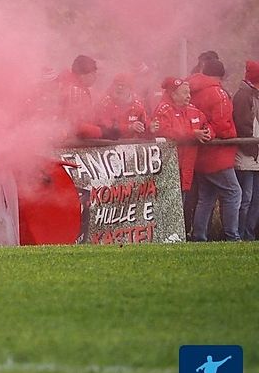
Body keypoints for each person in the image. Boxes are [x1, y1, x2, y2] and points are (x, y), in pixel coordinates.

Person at [189, 59, 242, 241]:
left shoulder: (193, 91)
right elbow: (222, 125)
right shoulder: (218, 93)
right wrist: (230, 134)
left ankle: (199, 235)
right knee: (234, 192)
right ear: (221, 75)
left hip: (200, 154)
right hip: (218, 155)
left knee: (206, 197)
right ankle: (232, 235)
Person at [152, 77, 212, 232]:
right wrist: (193, 134)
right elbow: (165, 131)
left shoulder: (193, 110)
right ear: (173, 94)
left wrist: (207, 133)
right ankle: (169, 234)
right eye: (184, 93)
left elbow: (208, 126)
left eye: (189, 92)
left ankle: (183, 234)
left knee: (186, 202)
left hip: (187, 166)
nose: (189, 96)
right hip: (169, 167)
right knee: (170, 203)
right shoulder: (163, 109)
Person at [233, 60, 259, 240]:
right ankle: (240, 234)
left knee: (255, 197)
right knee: (246, 197)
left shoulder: (253, 94)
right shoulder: (243, 96)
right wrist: (252, 149)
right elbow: (243, 126)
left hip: (255, 152)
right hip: (248, 153)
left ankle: (249, 234)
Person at [94, 73, 154, 139]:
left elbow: (144, 130)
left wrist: (150, 129)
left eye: (123, 85)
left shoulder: (139, 106)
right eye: (117, 85)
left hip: (130, 145)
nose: (119, 88)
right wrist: (129, 127)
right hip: (109, 144)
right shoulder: (105, 104)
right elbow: (106, 127)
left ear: (130, 89)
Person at [58, 54, 103, 139]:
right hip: (70, 143)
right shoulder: (75, 91)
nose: (95, 77)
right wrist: (99, 131)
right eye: (93, 73)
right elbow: (74, 124)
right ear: (84, 75)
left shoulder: (74, 87)